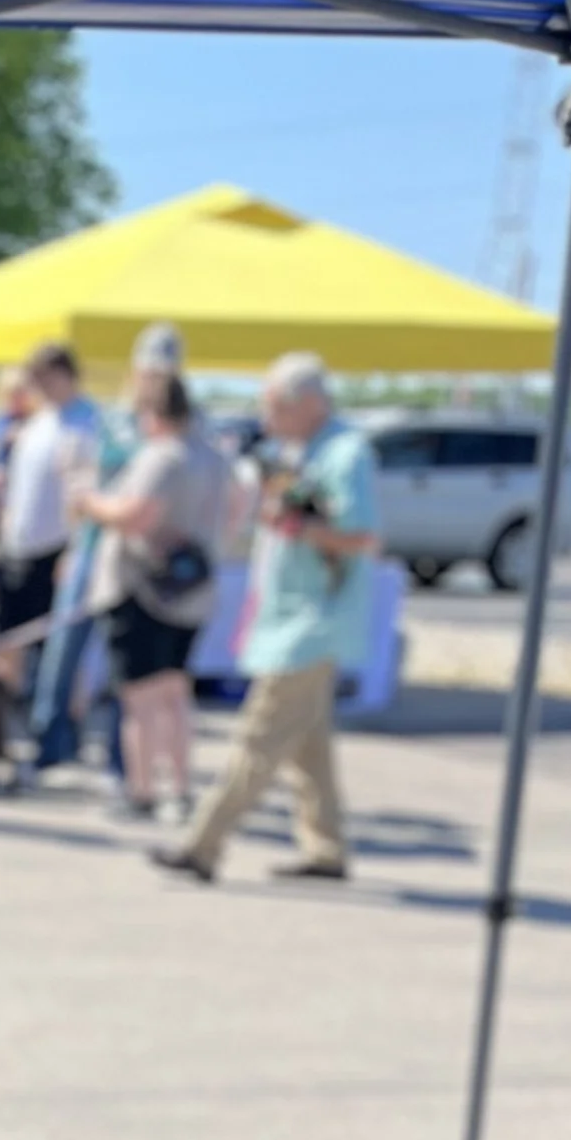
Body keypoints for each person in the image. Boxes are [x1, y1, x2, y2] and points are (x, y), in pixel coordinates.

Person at [154, 350, 380, 886]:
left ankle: (202, 844)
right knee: (307, 744)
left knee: (259, 736)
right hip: (291, 615)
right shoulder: (295, 451)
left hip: (314, 619)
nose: (267, 417)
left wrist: (301, 525)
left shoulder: (346, 454)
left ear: (306, 403)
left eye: (274, 405)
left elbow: (361, 536)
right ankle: (326, 848)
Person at [75, 369, 229, 823]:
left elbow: (137, 515)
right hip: (192, 591)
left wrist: (91, 503)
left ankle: (141, 791)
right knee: (175, 694)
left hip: (143, 590)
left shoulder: (162, 457)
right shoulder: (213, 458)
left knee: (139, 700)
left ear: (152, 412)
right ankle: (178, 790)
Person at [0, 344, 89, 689]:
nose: (38, 386)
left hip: (57, 550)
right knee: (8, 639)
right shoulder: (37, 422)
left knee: (58, 648)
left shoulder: (86, 421)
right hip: (18, 546)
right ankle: (3, 727)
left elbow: (85, 492)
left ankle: (61, 725)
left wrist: (76, 550)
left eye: (43, 378)